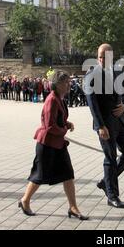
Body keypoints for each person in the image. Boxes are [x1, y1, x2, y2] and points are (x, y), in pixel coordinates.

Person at [19, 70, 88, 220]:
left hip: (58, 145)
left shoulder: (60, 98)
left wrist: (66, 123)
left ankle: (73, 207)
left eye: (69, 82)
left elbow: (57, 120)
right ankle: (25, 200)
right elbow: (50, 126)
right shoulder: (52, 100)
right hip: (47, 145)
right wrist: (64, 129)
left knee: (68, 174)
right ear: (57, 85)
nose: (69, 85)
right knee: (39, 176)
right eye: (66, 82)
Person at [85, 43, 124, 209]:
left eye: (105, 57)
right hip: (105, 125)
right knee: (110, 157)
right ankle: (112, 196)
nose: (101, 60)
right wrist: (100, 126)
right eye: (99, 56)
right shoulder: (92, 74)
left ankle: (106, 183)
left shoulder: (120, 71)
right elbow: (92, 104)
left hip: (121, 121)